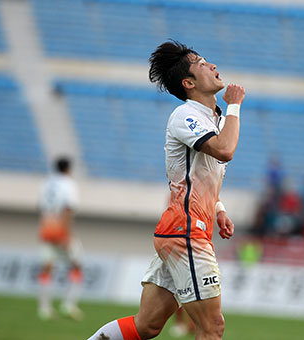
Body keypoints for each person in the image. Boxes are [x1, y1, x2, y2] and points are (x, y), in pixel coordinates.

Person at [88, 40, 245, 340]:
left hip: (181, 231)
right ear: (188, 83)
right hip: (185, 233)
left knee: (145, 326)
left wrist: (219, 208)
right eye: (201, 63)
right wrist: (236, 103)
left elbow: (201, 177)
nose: (211, 65)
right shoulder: (185, 116)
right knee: (212, 327)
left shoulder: (216, 120)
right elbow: (225, 151)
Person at [37, 156, 83, 321]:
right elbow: (68, 209)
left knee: (47, 268)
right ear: (68, 169)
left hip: (46, 228)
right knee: (77, 266)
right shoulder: (68, 184)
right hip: (60, 230)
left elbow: (42, 207)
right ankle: (68, 304)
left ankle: (44, 308)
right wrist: (66, 234)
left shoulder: (47, 183)